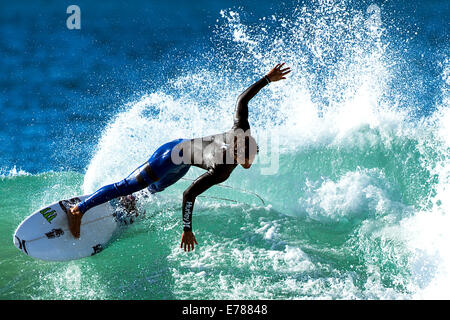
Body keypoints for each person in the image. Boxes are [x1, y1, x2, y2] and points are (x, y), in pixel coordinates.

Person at [67, 63, 291, 251]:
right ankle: (79, 210)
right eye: (245, 160)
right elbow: (189, 194)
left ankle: (131, 201)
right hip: (170, 156)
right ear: (236, 152)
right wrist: (187, 229)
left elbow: (242, 101)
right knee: (127, 185)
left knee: (154, 189)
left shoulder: (241, 131)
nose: (248, 164)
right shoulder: (222, 169)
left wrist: (267, 79)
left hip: (182, 164)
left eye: (251, 158)